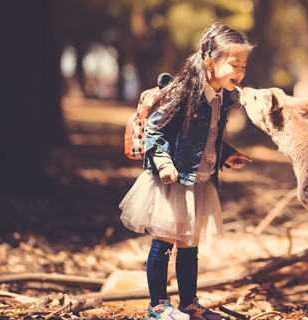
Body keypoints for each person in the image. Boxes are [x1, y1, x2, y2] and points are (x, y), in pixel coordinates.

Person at [119, 22, 253, 320]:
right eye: (234, 64)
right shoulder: (185, 91)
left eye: (244, 65)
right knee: (164, 241)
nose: (240, 71)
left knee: (189, 244)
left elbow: (208, 136)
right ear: (209, 59)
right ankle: (157, 305)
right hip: (173, 178)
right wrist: (164, 163)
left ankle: (189, 302)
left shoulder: (222, 96)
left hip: (200, 179)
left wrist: (227, 155)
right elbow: (156, 130)